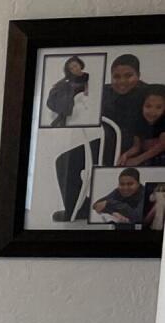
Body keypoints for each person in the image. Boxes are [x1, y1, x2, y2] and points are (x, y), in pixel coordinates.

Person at [53, 55, 150, 220]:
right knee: (64, 161)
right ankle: (76, 208)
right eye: (117, 76)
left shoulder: (147, 93)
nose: (122, 81)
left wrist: (137, 154)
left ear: (138, 75)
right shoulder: (104, 91)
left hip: (137, 147)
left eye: (129, 75)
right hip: (109, 143)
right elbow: (77, 91)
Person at [118, 85, 165, 167]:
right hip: (147, 158)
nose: (152, 112)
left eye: (158, 107)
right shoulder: (138, 121)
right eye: (148, 106)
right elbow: (137, 147)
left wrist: (137, 160)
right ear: (141, 106)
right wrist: (126, 155)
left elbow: (162, 145)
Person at [46, 55, 91, 126]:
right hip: (70, 90)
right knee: (62, 96)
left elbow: (86, 83)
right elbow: (64, 79)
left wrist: (86, 89)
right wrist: (56, 84)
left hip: (78, 90)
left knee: (68, 99)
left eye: (75, 66)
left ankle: (59, 119)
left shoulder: (86, 75)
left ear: (80, 64)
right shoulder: (71, 76)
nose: (74, 69)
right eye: (71, 69)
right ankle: (62, 120)